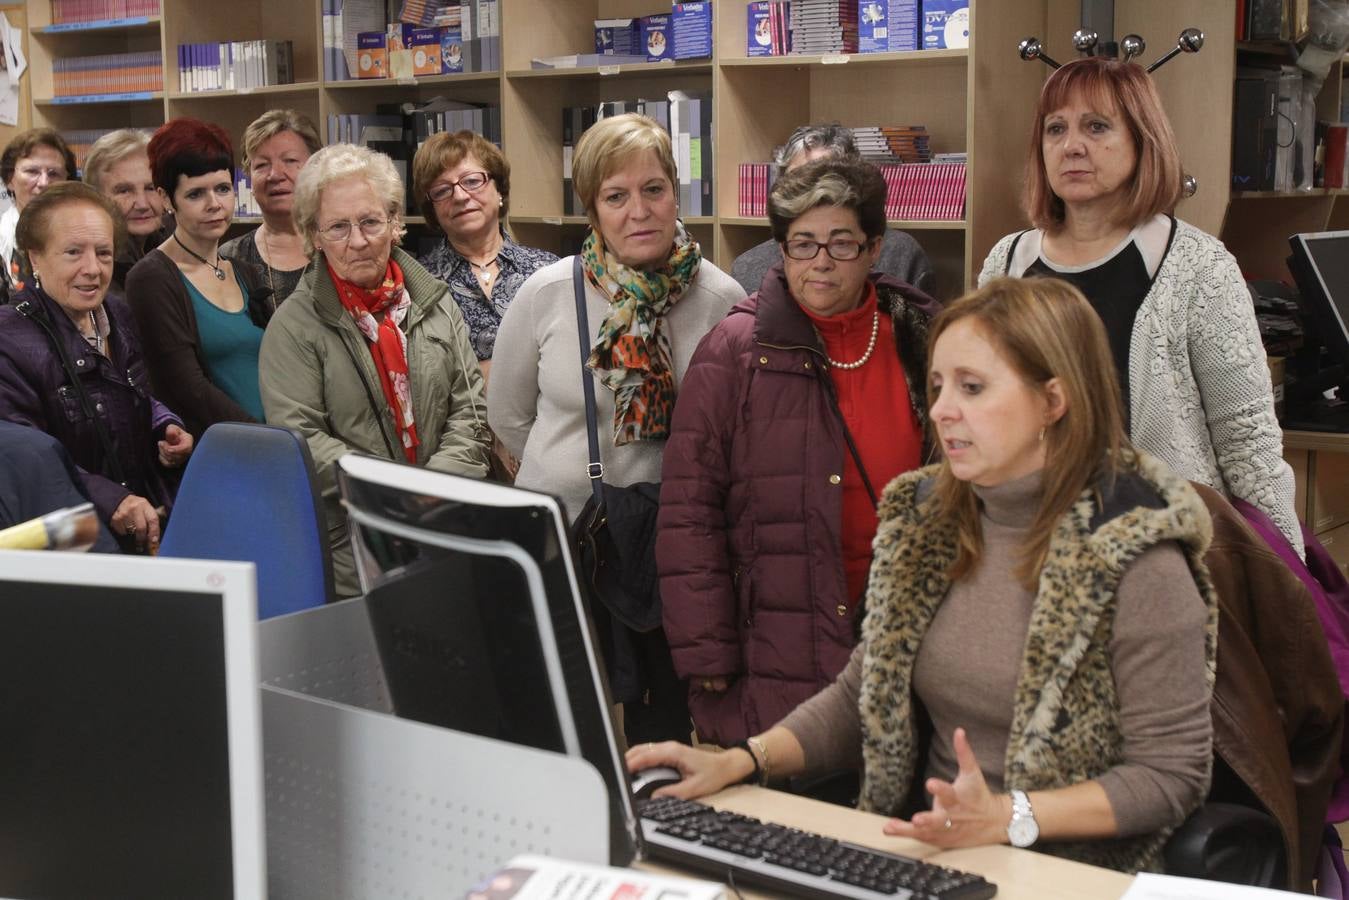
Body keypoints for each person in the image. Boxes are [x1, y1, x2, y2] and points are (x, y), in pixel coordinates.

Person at [628, 276, 1217, 876]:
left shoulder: (1135, 555)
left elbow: (1170, 776)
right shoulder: (925, 519)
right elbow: (863, 693)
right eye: (936, 386)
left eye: (972, 388)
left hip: (1071, 870)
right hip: (928, 852)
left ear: (1053, 401)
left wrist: (1007, 816)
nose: (940, 411)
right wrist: (744, 761)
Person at [658, 157, 940, 747]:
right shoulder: (734, 349)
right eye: (803, 243)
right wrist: (707, 653)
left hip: (903, 630)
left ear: (874, 248)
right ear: (780, 250)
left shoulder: (922, 336)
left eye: (842, 243)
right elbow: (689, 510)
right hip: (775, 640)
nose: (821, 262)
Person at [979, 56, 1302, 557]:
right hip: (1032, 551)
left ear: (1142, 140)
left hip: (1166, 559)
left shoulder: (1197, 265)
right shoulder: (1006, 263)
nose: (1072, 146)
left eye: (1097, 126)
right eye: (1055, 129)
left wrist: (1285, 589)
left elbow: (1249, 447)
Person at [259, 143, 491, 598]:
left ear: (394, 223)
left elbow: (472, 413)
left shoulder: (436, 302)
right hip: (357, 544)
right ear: (314, 235)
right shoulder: (293, 326)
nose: (359, 240)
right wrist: (397, 494)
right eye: (339, 227)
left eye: (370, 222)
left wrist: (432, 491)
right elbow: (302, 438)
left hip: (449, 526)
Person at [489, 112, 744, 520]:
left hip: (671, 530)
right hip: (558, 526)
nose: (639, 211)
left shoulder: (723, 300)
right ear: (593, 211)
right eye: (615, 197)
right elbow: (508, 416)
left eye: (653, 189)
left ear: (675, 193)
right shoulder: (545, 292)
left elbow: (734, 435)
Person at [0, 182, 193, 553]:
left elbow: (133, 395)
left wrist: (163, 425)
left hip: (141, 518)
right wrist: (109, 500)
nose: (93, 269)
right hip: (65, 539)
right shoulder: (9, 338)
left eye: (104, 253)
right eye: (74, 252)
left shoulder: (117, 314)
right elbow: (27, 467)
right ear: (35, 257)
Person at [124, 118, 274, 439]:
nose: (214, 205)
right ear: (166, 199)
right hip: (222, 450)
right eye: (195, 194)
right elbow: (188, 389)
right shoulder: (151, 278)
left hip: (276, 440)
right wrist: (268, 437)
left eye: (222, 189)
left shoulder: (244, 271)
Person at [412, 129, 558, 382]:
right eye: (442, 191)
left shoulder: (547, 271)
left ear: (499, 189)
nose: (459, 196)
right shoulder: (416, 284)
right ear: (432, 209)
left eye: (471, 181)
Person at [730, 124, 934, 297]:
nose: (814, 193)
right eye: (799, 181)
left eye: (826, 179)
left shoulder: (902, 254)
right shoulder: (748, 266)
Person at [220, 109, 322, 304]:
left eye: (290, 161)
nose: (275, 174)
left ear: (316, 168)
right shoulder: (229, 259)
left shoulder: (343, 246)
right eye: (262, 165)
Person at [82, 129, 170, 294]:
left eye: (150, 188)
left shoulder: (174, 248)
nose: (142, 204)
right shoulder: (92, 270)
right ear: (95, 198)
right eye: (124, 191)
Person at [0, 128, 77, 299]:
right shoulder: (2, 242)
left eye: (54, 173)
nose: (43, 183)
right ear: (9, 179)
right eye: (32, 172)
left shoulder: (83, 235)